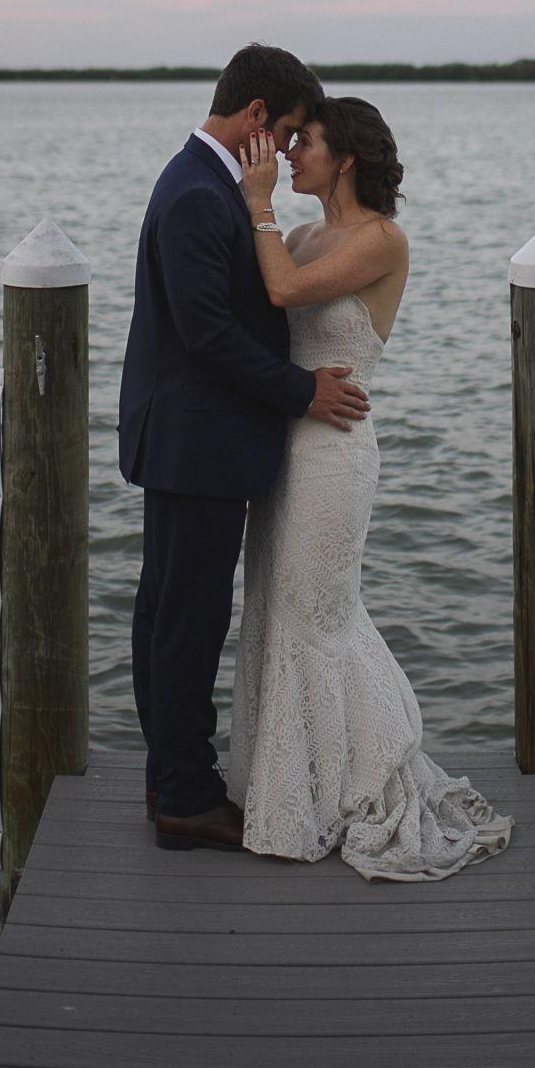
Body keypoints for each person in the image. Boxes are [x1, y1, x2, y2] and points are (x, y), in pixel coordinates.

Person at [230, 95, 512, 881]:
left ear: (344, 155)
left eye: (305, 143)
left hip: (335, 452)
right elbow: (262, 309)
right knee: (274, 606)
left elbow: (285, 294)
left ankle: (364, 782)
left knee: (320, 612)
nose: (289, 155)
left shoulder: (382, 239)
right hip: (281, 446)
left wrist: (254, 205)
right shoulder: (300, 234)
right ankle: (291, 790)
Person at [119, 44, 371, 852]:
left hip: (194, 439)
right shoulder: (198, 193)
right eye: (290, 129)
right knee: (184, 619)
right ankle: (186, 795)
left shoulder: (203, 183)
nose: (293, 147)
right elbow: (208, 335)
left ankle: (172, 774)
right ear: (257, 119)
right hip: (198, 440)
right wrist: (304, 391)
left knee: (169, 611)